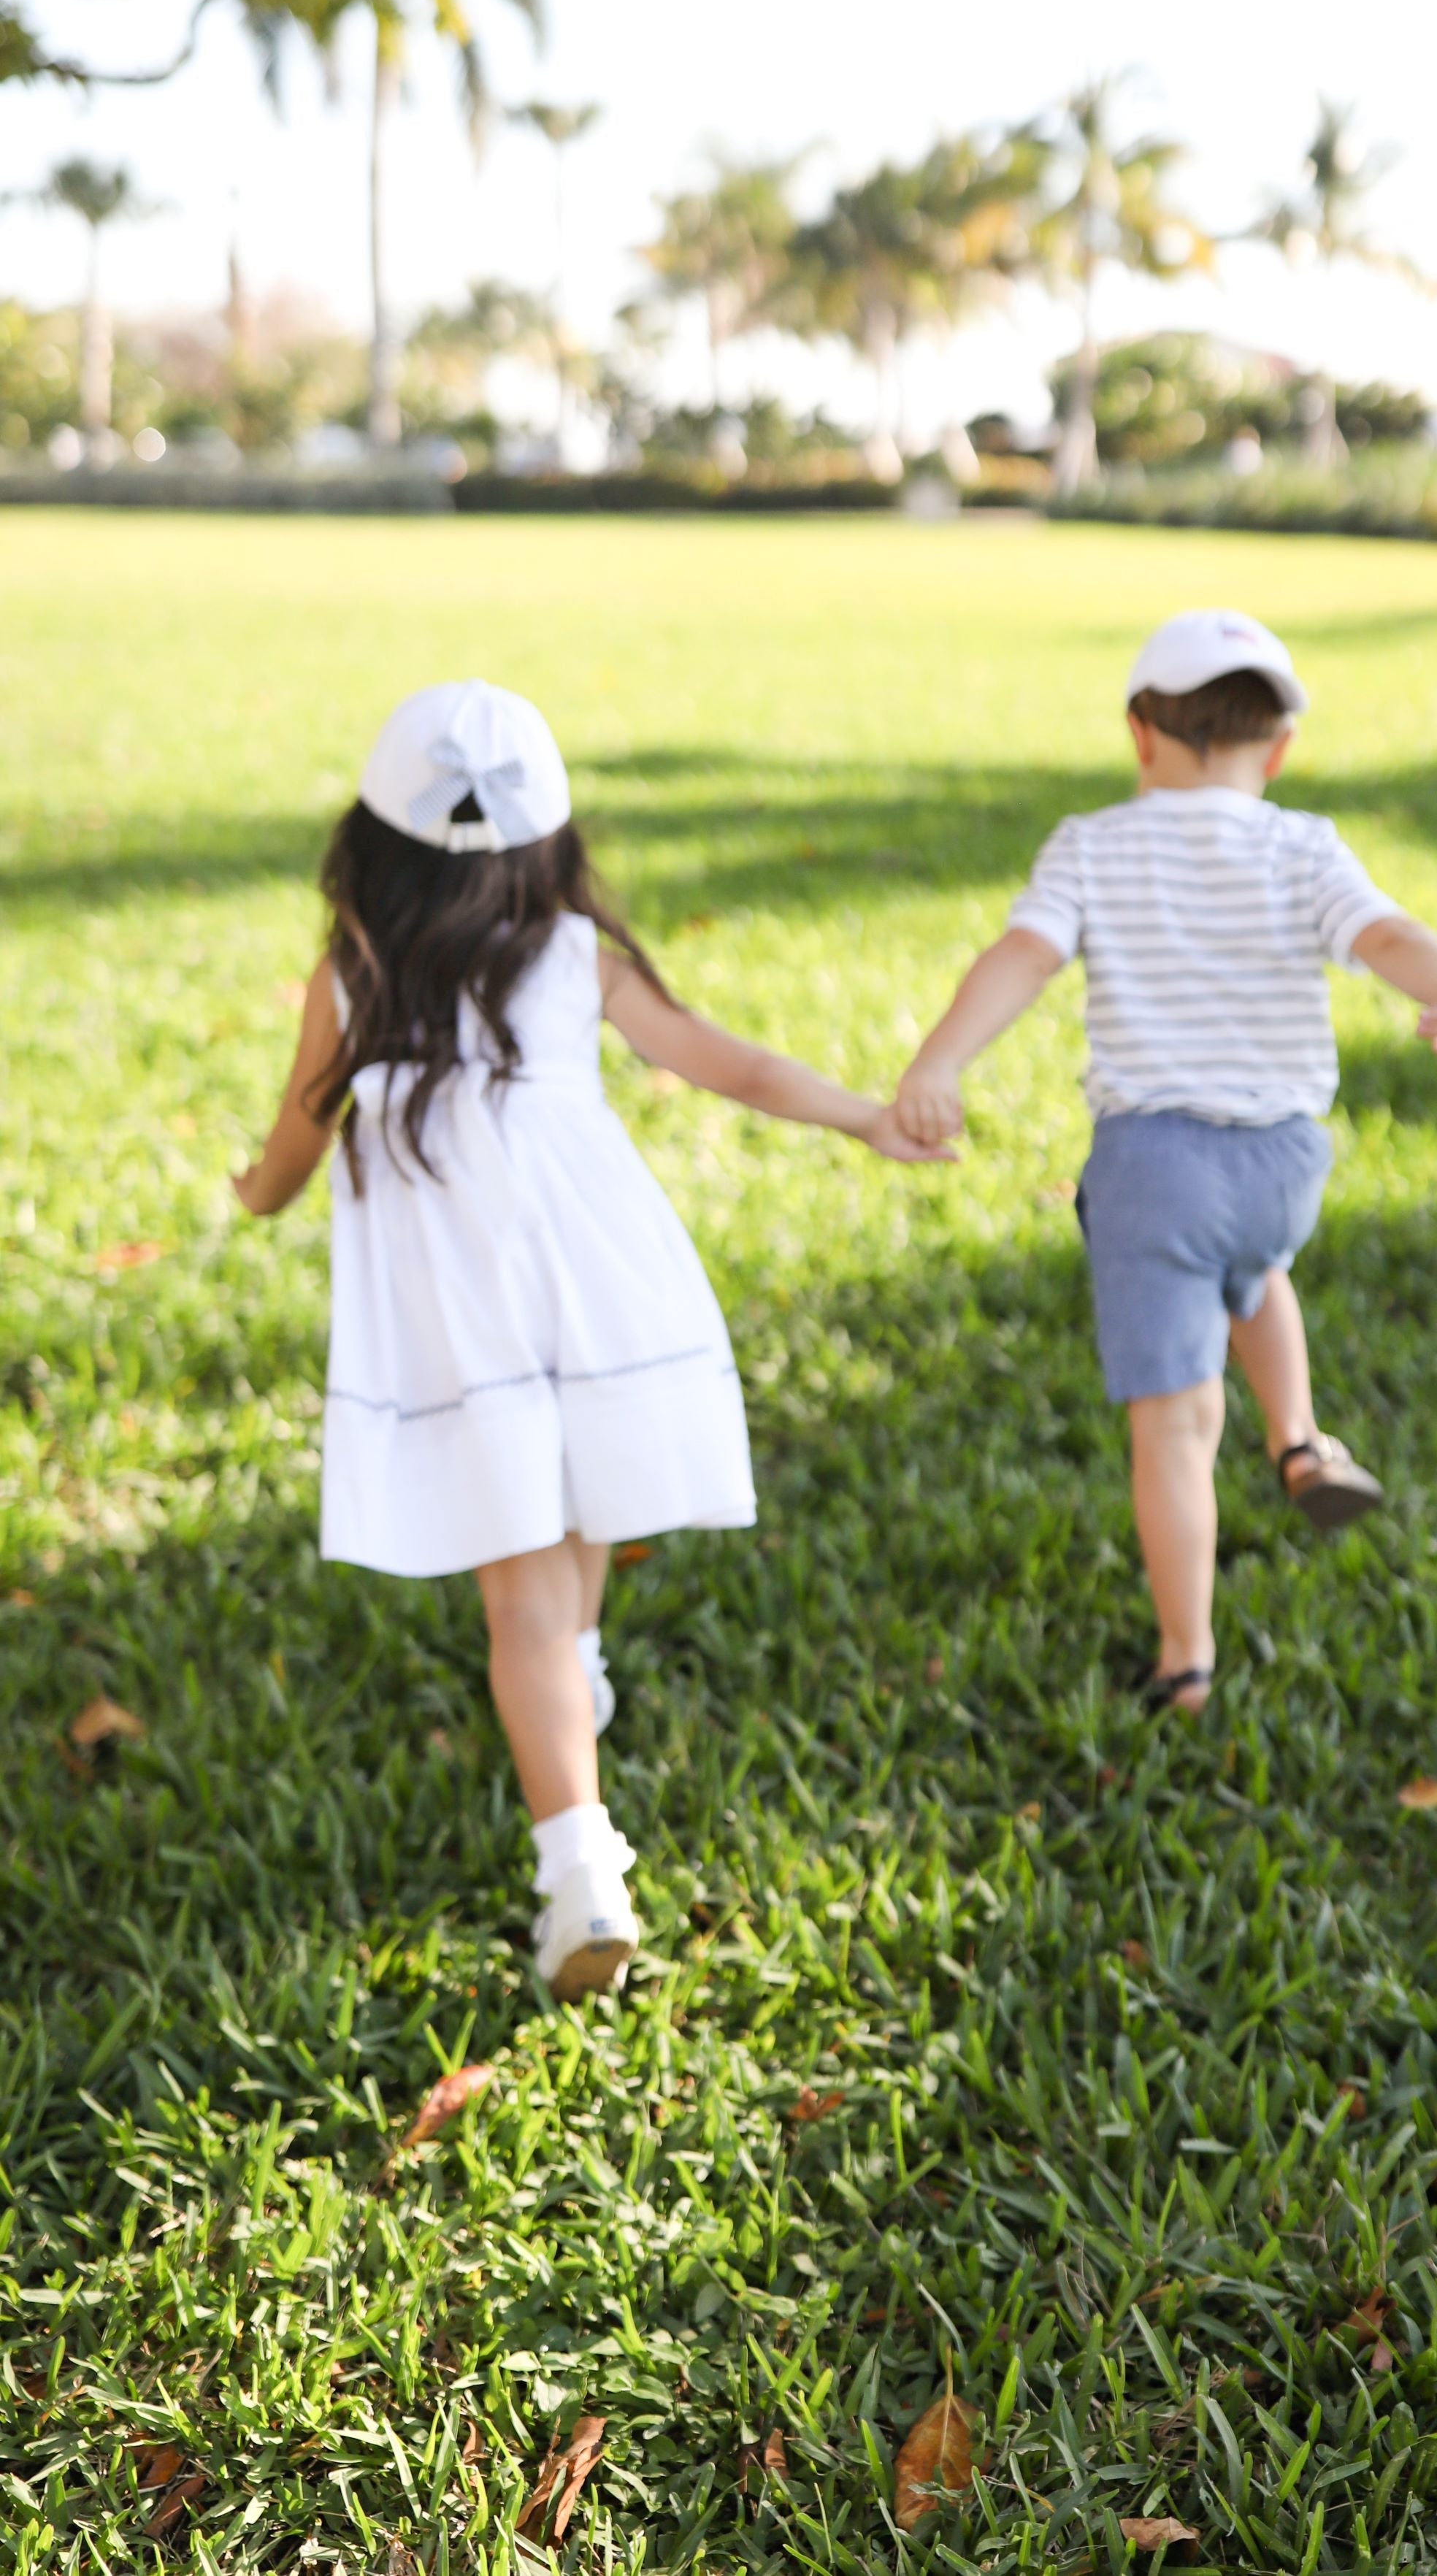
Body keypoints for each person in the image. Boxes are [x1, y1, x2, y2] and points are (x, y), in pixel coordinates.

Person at [234, 680, 949, 1996]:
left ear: (373, 839)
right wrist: (861, 1116)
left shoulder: (355, 976)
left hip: (464, 1327)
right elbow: (722, 1061)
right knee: (576, 1550)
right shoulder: (573, 955)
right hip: (604, 1292)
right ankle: (579, 1683)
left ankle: (580, 1875)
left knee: (526, 1603)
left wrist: (253, 1195)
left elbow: (296, 1136)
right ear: (551, 839)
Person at [894, 607, 1437, 1714]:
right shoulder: (1304, 843)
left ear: (1142, 734)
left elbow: (1021, 957)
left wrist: (939, 1062)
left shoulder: (1092, 843)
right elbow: (1387, 935)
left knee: (1177, 1425)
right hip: (1284, 1170)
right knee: (1254, 1270)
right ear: (1277, 752)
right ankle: (1301, 1440)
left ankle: (1186, 1658)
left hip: (1157, 1166)